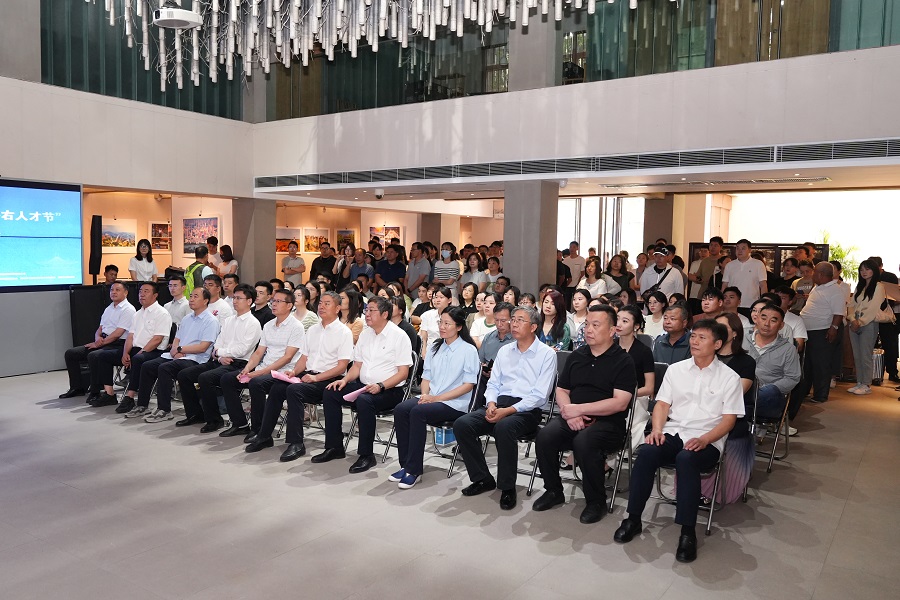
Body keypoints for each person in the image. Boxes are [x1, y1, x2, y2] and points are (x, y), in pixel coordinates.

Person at [613, 319, 744, 563]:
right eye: (693, 336)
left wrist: (705, 439)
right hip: (674, 432)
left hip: (707, 438)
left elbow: (729, 421)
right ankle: (633, 519)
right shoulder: (676, 370)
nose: (694, 341)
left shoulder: (729, 378)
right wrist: (657, 429)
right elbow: (662, 404)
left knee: (686, 459)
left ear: (717, 344)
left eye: (702, 338)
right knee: (647, 452)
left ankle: (687, 532)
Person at [532, 305, 636, 523]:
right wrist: (571, 413)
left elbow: (620, 403)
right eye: (587, 324)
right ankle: (553, 490)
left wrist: (579, 409)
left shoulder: (623, 361)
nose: (588, 329)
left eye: (595, 325)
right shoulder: (577, 355)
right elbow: (562, 390)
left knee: (584, 441)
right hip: (573, 416)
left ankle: (596, 501)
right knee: (545, 436)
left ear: (612, 330)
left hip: (608, 423)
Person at [454, 305, 556, 510]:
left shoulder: (546, 354)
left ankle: (507, 487)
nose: (514, 324)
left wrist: (508, 411)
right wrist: (491, 403)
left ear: (533, 327)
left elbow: (539, 396)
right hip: (499, 403)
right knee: (463, 424)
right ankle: (482, 478)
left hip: (526, 410)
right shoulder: (505, 351)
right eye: (513, 319)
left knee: (504, 427)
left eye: (520, 320)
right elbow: (493, 383)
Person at [312, 297, 414, 473]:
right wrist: (344, 380)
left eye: (372, 310)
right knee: (331, 392)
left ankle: (366, 455)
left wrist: (381, 385)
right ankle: (334, 447)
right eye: (366, 310)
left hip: (390, 390)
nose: (367, 314)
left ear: (385, 314)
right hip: (364, 386)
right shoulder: (366, 334)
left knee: (365, 401)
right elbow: (357, 366)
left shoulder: (399, 336)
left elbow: (403, 373)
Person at [251, 291, 354, 460]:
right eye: (320, 303)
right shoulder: (313, 330)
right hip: (308, 376)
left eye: (327, 303)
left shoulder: (344, 332)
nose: (321, 306)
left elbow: (341, 367)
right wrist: (294, 372)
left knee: (294, 391)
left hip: (329, 379)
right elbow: (304, 359)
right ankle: (264, 436)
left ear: (337, 308)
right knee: (278, 388)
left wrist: (316, 378)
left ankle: (296, 443)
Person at [390, 307, 480, 488]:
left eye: (447, 323)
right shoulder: (435, 347)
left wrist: (436, 398)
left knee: (417, 412)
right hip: (431, 398)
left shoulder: (468, 350)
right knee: (401, 409)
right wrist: (425, 395)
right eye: (441, 322)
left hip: (455, 403)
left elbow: (468, 385)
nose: (442, 327)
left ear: (459, 327)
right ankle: (405, 465)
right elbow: (427, 377)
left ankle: (414, 470)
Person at [219, 288, 306, 440]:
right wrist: (247, 369)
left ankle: (258, 429)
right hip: (263, 368)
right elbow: (259, 353)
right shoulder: (269, 325)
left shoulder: (296, 327)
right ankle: (240, 424)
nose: (274, 304)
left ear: (289, 305)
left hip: (284, 372)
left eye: (278, 301)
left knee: (256, 383)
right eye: (273, 301)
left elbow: (287, 357)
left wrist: (260, 372)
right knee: (228, 379)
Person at [175, 284, 262, 432]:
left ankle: (215, 420)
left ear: (249, 301)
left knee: (206, 378)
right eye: (234, 298)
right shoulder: (229, 320)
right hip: (221, 360)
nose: (235, 301)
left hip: (240, 364)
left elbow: (242, 350)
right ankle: (195, 414)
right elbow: (218, 343)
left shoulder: (253, 323)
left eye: (239, 298)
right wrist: (219, 355)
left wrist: (220, 353)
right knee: (185, 375)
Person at [128, 288, 219, 422]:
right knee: (148, 366)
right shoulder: (187, 318)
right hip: (178, 355)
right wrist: (175, 350)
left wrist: (180, 349)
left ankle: (164, 410)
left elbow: (203, 347)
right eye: (191, 296)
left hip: (196, 359)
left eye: (196, 296)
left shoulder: (211, 320)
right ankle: (142, 405)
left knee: (165, 368)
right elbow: (177, 338)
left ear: (205, 301)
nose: (191, 299)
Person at [90, 282, 171, 411]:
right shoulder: (137, 314)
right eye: (140, 291)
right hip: (135, 349)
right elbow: (130, 336)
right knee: (103, 356)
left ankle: (130, 397)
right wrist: (125, 353)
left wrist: (141, 352)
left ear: (155, 295)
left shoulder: (162, 313)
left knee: (137, 359)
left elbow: (157, 339)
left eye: (146, 291)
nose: (142, 294)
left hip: (153, 351)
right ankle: (109, 394)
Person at [59, 282, 135, 401]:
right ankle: (77, 387)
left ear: (126, 292)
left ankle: (96, 391)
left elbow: (118, 333)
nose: (113, 292)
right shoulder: (109, 308)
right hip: (104, 341)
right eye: (112, 290)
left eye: (117, 290)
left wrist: (99, 343)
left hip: (119, 345)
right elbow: (100, 328)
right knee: (71, 353)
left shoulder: (128, 309)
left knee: (95, 355)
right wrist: (97, 338)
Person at [740, 304, 801, 418]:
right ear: (757, 319)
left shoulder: (788, 349)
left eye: (773, 320)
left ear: (781, 325)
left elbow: (792, 378)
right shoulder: (741, 339)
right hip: (740, 390)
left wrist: (767, 389)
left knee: (770, 392)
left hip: (768, 399)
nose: (766, 324)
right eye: (763, 318)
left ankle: (738, 410)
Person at [798, 262, 846, 404]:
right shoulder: (818, 286)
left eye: (814, 272)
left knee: (821, 364)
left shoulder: (835, 290)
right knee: (808, 363)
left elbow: (839, 313)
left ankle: (820, 395)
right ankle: (804, 390)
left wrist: (833, 328)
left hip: (822, 331)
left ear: (821, 274)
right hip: (809, 331)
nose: (812, 274)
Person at [615, 305, 656, 453]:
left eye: (625, 321)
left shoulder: (644, 351)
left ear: (636, 326)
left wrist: (626, 394)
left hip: (636, 397)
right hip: (609, 395)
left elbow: (649, 388)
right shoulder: (609, 347)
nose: (619, 324)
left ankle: (612, 455)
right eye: (617, 319)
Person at [847, 260, 887, 396]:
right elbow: (851, 305)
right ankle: (860, 381)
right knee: (857, 355)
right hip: (854, 322)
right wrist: (852, 319)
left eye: (867, 269)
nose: (864, 272)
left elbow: (872, 308)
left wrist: (860, 322)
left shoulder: (879, 287)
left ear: (874, 270)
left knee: (865, 354)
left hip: (868, 323)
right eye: (862, 269)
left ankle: (866, 384)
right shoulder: (860, 286)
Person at [868, 256, 900, 384]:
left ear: (881, 266)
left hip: (886, 314)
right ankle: (874, 374)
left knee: (890, 343)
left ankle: (892, 372)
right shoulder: (868, 278)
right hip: (871, 314)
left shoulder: (889, 277)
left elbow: (894, 296)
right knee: (871, 344)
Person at [715, 313, 757, 396]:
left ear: (735, 333)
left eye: (723, 327)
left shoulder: (747, 362)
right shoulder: (706, 357)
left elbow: (736, 393)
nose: (718, 331)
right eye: (715, 327)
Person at [721, 239, 767, 312]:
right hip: (732, 305)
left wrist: (764, 303)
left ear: (749, 250)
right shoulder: (729, 265)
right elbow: (725, 285)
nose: (739, 251)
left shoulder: (758, 264)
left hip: (751, 304)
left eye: (743, 248)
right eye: (737, 248)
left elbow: (763, 285)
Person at [419, 286, 452, 352]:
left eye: (441, 297)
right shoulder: (427, 315)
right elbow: (423, 337)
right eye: (436, 297)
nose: (438, 300)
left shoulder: (453, 316)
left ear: (449, 300)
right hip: (430, 349)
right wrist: (423, 352)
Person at [563, 241, 586, 307]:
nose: (572, 249)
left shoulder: (581, 259)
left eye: (574, 247)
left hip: (576, 285)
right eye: (570, 247)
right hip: (567, 285)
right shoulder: (565, 260)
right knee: (566, 303)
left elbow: (582, 273)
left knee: (576, 303)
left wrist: (578, 284)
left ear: (577, 248)